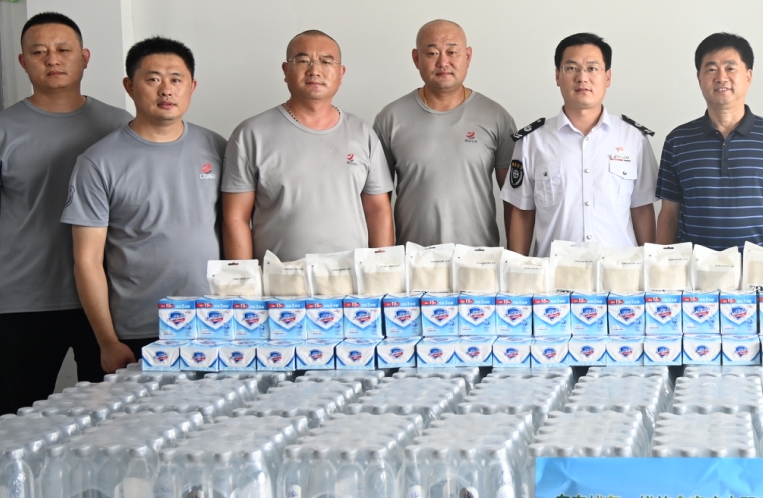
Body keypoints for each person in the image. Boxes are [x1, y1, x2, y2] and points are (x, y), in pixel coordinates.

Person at [0, 12, 130, 412]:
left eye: (63, 49)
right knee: (20, 419)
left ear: (84, 58)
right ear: (23, 61)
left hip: (107, 300)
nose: (52, 59)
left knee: (110, 418)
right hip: (26, 303)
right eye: (39, 52)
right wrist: (14, 258)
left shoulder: (118, 126)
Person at [62, 38, 226, 374]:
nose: (166, 90)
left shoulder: (217, 148)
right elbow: (87, 261)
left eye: (176, 79)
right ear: (130, 86)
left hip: (214, 324)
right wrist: (107, 342)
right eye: (153, 79)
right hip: (139, 330)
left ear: (192, 87)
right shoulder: (98, 162)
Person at [221, 30, 393, 262]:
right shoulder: (251, 135)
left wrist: (381, 271)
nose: (314, 70)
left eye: (326, 61)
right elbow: (235, 218)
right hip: (279, 279)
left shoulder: (363, 134)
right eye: (303, 61)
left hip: (351, 279)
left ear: (341, 73)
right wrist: (245, 278)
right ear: (285, 70)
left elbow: (378, 210)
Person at [501, 32, 658, 256]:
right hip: (554, 273)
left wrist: (649, 266)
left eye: (592, 68)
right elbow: (522, 212)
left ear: (608, 77)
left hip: (619, 273)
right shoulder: (532, 141)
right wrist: (518, 268)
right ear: (557, 76)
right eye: (571, 68)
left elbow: (642, 209)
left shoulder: (634, 139)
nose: (582, 77)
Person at [656, 32, 763, 250]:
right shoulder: (678, 141)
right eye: (711, 69)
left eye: (730, 68)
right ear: (699, 78)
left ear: (748, 76)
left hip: (762, 267)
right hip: (694, 268)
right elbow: (669, 215)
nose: (721, 77)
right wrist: (661, 264)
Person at [373, 19, 516, 247]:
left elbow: (515, 199)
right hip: (413, 259)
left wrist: (515, 257)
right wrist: (384, 260)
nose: (443, 62)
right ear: (416, 58)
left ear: (467, 56)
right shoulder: (390, 118)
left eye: (452, 52)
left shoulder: (496, 117)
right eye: (432, 53)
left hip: (479, 260)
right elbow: (376, 203)